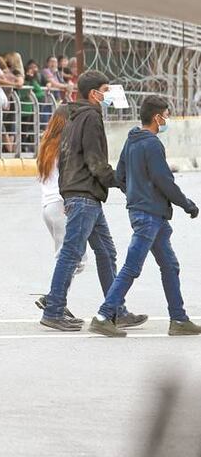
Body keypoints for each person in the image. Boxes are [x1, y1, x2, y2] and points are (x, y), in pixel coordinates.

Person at [40, 70, 147, 331]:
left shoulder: (73, 116)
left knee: (106, 251)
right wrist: (123, 182)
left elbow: (67, 159)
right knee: (72, 253)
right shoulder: (90, 116)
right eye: (106, 90)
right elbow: (95, 161)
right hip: (84, 195)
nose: (109, 95)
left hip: (85, 195)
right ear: (93, 94)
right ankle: (53, 310)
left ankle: (115, 309)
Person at [89, 96, 201, 337]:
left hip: (150, 215)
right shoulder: (151, 143)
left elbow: (120, 176)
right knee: (132, 267)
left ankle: (179, 319)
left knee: (170, 266)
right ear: (156, 117)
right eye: (166, 116)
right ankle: (103, 315)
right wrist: (187, 204)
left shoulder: (131, 141)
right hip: (150, 215)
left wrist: (135, 192)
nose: (167, 120)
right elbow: (164, 180)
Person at [34, 105, 88, 322]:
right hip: (62, 204)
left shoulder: (47, 144)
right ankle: (54, 299)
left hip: (48, 205)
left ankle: (57, 298)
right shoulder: (65, 146)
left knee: (68, 256)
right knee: (74, 258)